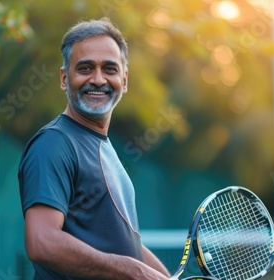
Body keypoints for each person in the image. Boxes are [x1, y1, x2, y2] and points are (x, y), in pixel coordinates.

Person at [18, 18, 171, 280]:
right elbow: (41, 241)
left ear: (124, 80)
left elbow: (126, 248)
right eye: (85, 68)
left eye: (109, 69)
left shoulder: (103, 146)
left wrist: (161, 277)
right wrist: (133, 272)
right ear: (65, 78)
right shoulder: (53, 144)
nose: (98, 79)